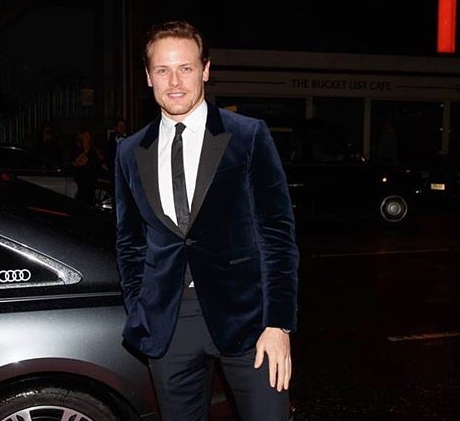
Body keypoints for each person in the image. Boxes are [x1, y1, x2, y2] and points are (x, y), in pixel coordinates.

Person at [114, 20, 299, 421]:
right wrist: (140, 307)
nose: (174, 82)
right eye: (163, 70)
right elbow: (130, 242)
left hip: (249, 319)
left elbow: (277, 235)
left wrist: (279, 324)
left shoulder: (248, 135)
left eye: (185, 68)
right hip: (169, 323)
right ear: (148, 76)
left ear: (205, 70)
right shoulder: (130, 151)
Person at [72, 129, 107, 205]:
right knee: (81, 197)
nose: (87, 138)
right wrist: (85, 153)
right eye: (85, 136)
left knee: (90, 198)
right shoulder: (78, 149)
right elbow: (78, 162)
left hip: (91, 178)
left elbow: (99, 162)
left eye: (88, 136)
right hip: (82, 177)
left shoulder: (93, 150)